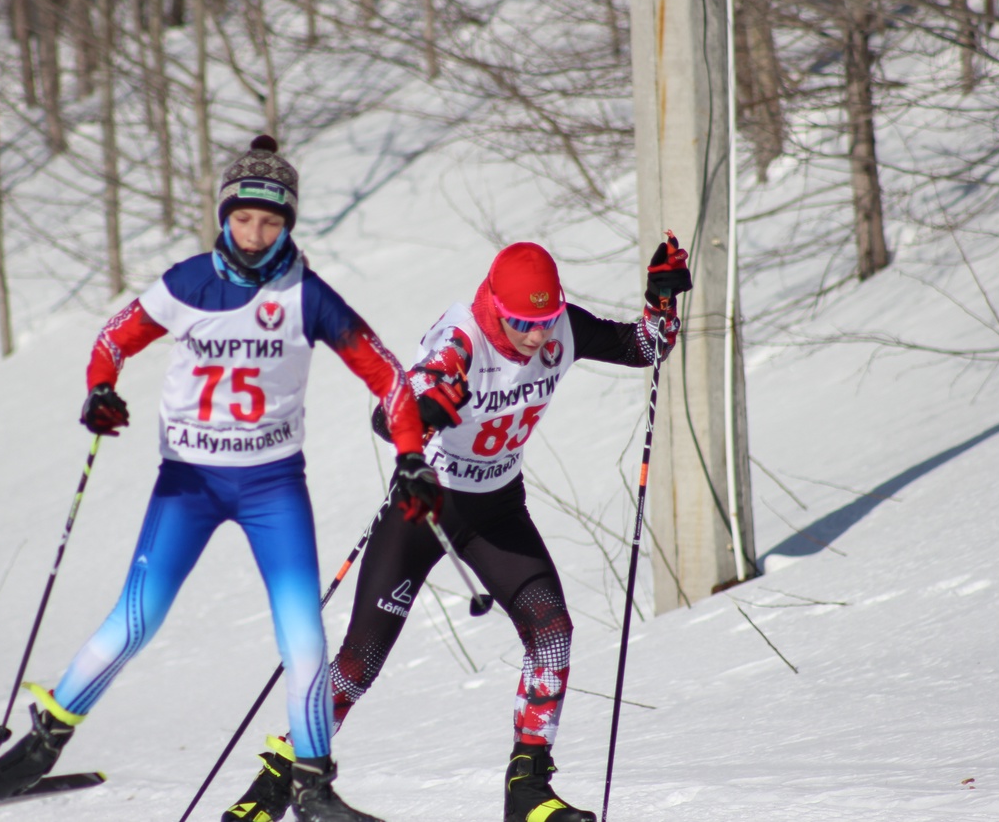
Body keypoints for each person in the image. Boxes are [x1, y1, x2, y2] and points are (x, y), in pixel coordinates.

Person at [0, 135, 443, 822]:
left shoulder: (307, 295)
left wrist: (409, 452)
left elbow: (389, 376)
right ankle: (41, 745)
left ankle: (311, 786)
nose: (255, 235)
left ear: (288, 224)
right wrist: (100, 390)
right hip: (189, 482)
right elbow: (112, 341)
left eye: (271, 222)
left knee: (304, 638)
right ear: (224, 216)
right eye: (244, 219)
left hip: (272, 486)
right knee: (136, 617)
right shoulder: (187, 283)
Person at [221, 238, 691, 822]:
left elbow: (646, 347)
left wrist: (661, 301)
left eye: (544, 320)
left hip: (496, 510)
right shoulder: (461, 340)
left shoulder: (563, 329)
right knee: (359, 663)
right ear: (496, 304)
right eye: (521, 321)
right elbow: (388, 412)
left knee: (552, 635)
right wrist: (426, 410)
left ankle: (528, 791)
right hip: (426, 511)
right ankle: (273, 787)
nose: (535, 336)